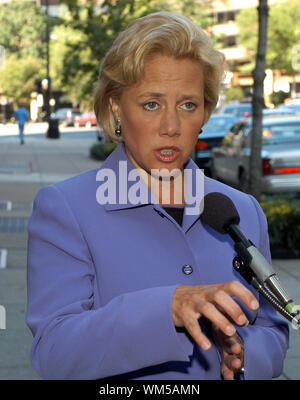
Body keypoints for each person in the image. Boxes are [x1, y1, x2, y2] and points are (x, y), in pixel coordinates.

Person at [26, 12, 289, 380]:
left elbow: (273, 328)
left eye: (188, 105)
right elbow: (54, 351)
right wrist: (166, 309)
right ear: (116, 107)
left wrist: (245, 357)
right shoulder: (66, 209)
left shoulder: (243, 211)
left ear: (205, 112)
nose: (171, 127)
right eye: (151, 104)